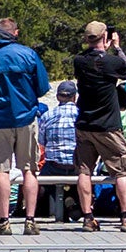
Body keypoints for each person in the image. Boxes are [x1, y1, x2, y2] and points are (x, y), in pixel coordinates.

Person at [0, 18, 50, 236]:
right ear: (15, 33)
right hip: (26, 117)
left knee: (2, 170)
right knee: (29, 169)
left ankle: (4, 222)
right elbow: (43, 87)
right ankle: (30, 220)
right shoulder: (28, 54)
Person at [69, 23, 126, 233]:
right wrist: (116, 47)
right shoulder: (112, 62)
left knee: (84, 170)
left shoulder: (79, 61)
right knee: (123, 171)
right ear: (105, 37)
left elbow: (90, 58)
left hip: (84, 123)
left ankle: (88, 217)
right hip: (108, 125)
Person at [39, 80, 81, 220]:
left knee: (42, 175)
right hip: (76, 165)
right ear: (74, 97)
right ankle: (71, 200)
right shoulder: (80, 114)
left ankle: (60, 205)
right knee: (84, 172)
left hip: (55, 166)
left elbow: (42, 142)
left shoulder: (47, 116)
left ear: (57, 97)